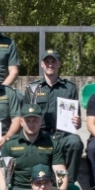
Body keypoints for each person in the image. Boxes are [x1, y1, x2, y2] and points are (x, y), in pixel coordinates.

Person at [0, 104, 65, 190]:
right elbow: (2, 172)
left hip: (45, 188)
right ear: (21, 121)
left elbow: (60, 170)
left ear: (41, 121)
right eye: (28, 120)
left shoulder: (52, 143)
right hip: (19, 189)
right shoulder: (10, 144)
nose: (31, 124)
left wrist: (61, 189)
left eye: (35, 120)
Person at [22, 50, 84, 181]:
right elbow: (24, 116)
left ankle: (70, 183)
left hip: (63, 135)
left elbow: (77, 121)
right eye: (47, 62)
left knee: (75, 142)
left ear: (59, 64)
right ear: (42, 65)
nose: (50, 65)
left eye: (53, 61)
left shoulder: (70, 88)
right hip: (41, 134)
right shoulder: (32, 89)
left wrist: (77, 122)